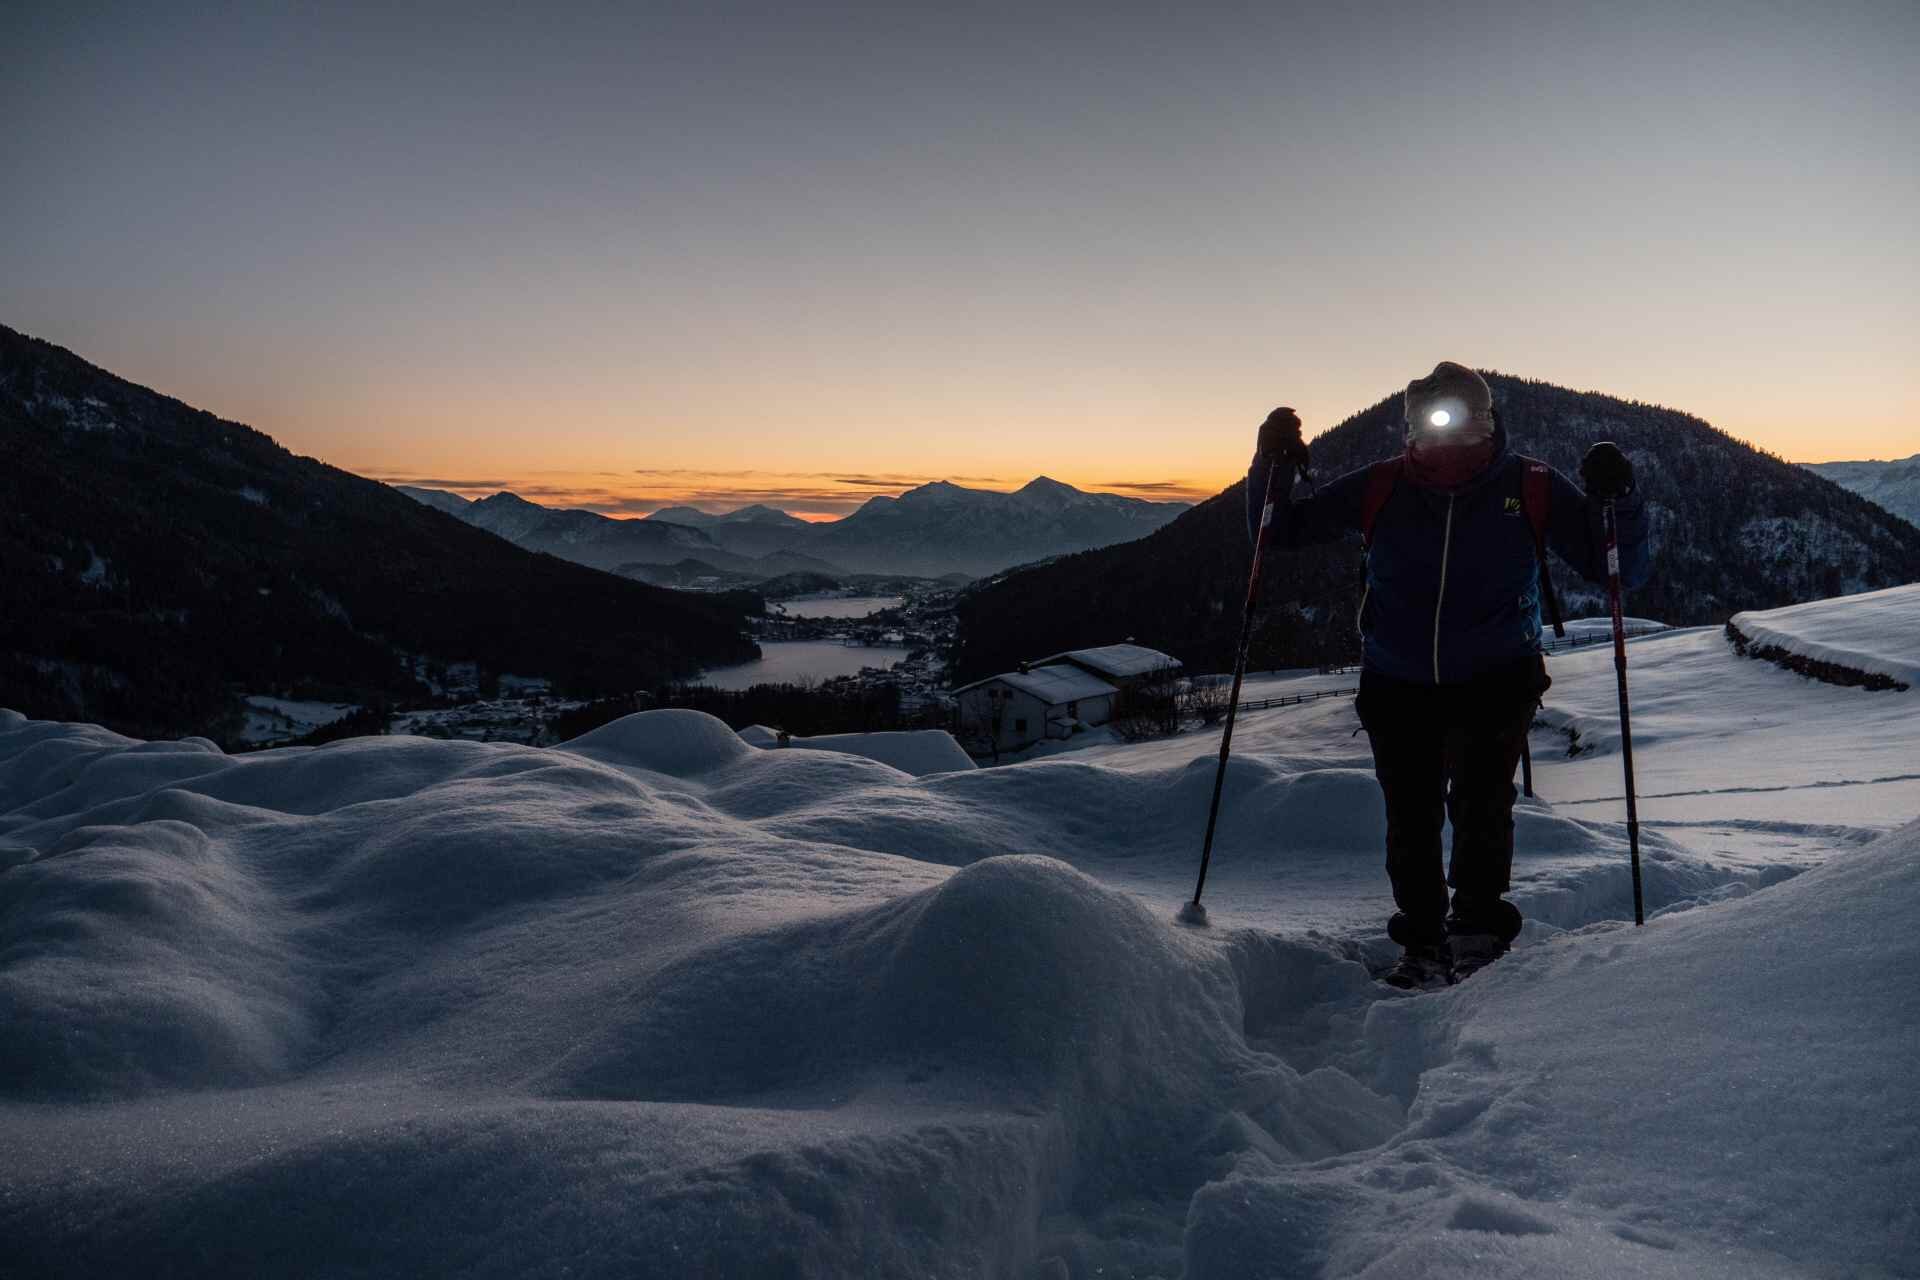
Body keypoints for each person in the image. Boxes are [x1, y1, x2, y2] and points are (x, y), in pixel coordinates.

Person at [1247, 362, 1650, 989]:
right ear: (1411, 425)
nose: (1442, 432)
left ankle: (1477, 932)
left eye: (1457, 415)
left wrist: (1618, 501)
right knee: (1410, 817)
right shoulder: (1383, 484)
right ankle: (1426, 941)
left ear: (1486, 418)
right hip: (1398, 684)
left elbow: (1613, 567)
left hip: (1496, 681)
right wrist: (1270, 467)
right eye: (1429, 419)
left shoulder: (1531, 486)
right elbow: (1278, 533)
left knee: (1483, 809)